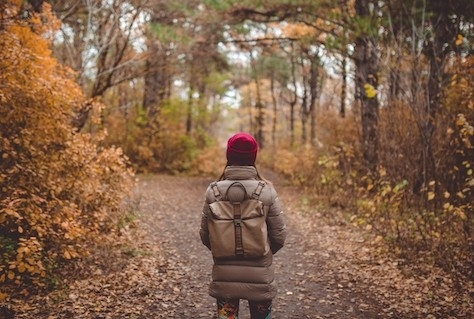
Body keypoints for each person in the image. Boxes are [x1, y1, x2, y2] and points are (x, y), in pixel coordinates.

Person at [199, 132, 287, 319]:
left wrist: (224, 249)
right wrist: (261, 251)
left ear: (229, 156)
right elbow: (279, 237)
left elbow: (206, 236)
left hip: (224, 276)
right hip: (260, 276)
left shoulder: (213, 191)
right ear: (253, 157)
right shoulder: (267, 191)